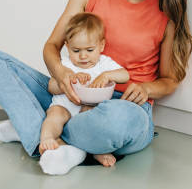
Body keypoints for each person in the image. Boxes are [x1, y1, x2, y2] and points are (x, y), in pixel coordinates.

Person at [0, 0, 192, 175]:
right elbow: (52, 46)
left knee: (118, 122)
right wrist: (61, 74)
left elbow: (170, 79)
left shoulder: (166, 9)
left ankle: (38, 131)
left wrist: (146, 87)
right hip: (70, 94)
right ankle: (63, 140)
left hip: (122, 105)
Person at [40, 12, 129, 168]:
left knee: (93, 118)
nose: (83, 56)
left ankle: (96, 150)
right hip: (65, 107)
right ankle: (47, 139)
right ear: (67, 46)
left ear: (101, 46)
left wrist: (106, 75)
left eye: (89, 50)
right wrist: (68, 80)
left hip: (90, 108)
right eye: (76, 50)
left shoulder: (104, 63)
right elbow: (51, 87)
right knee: (55, 114)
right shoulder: (66, 64)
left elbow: (125, 75)